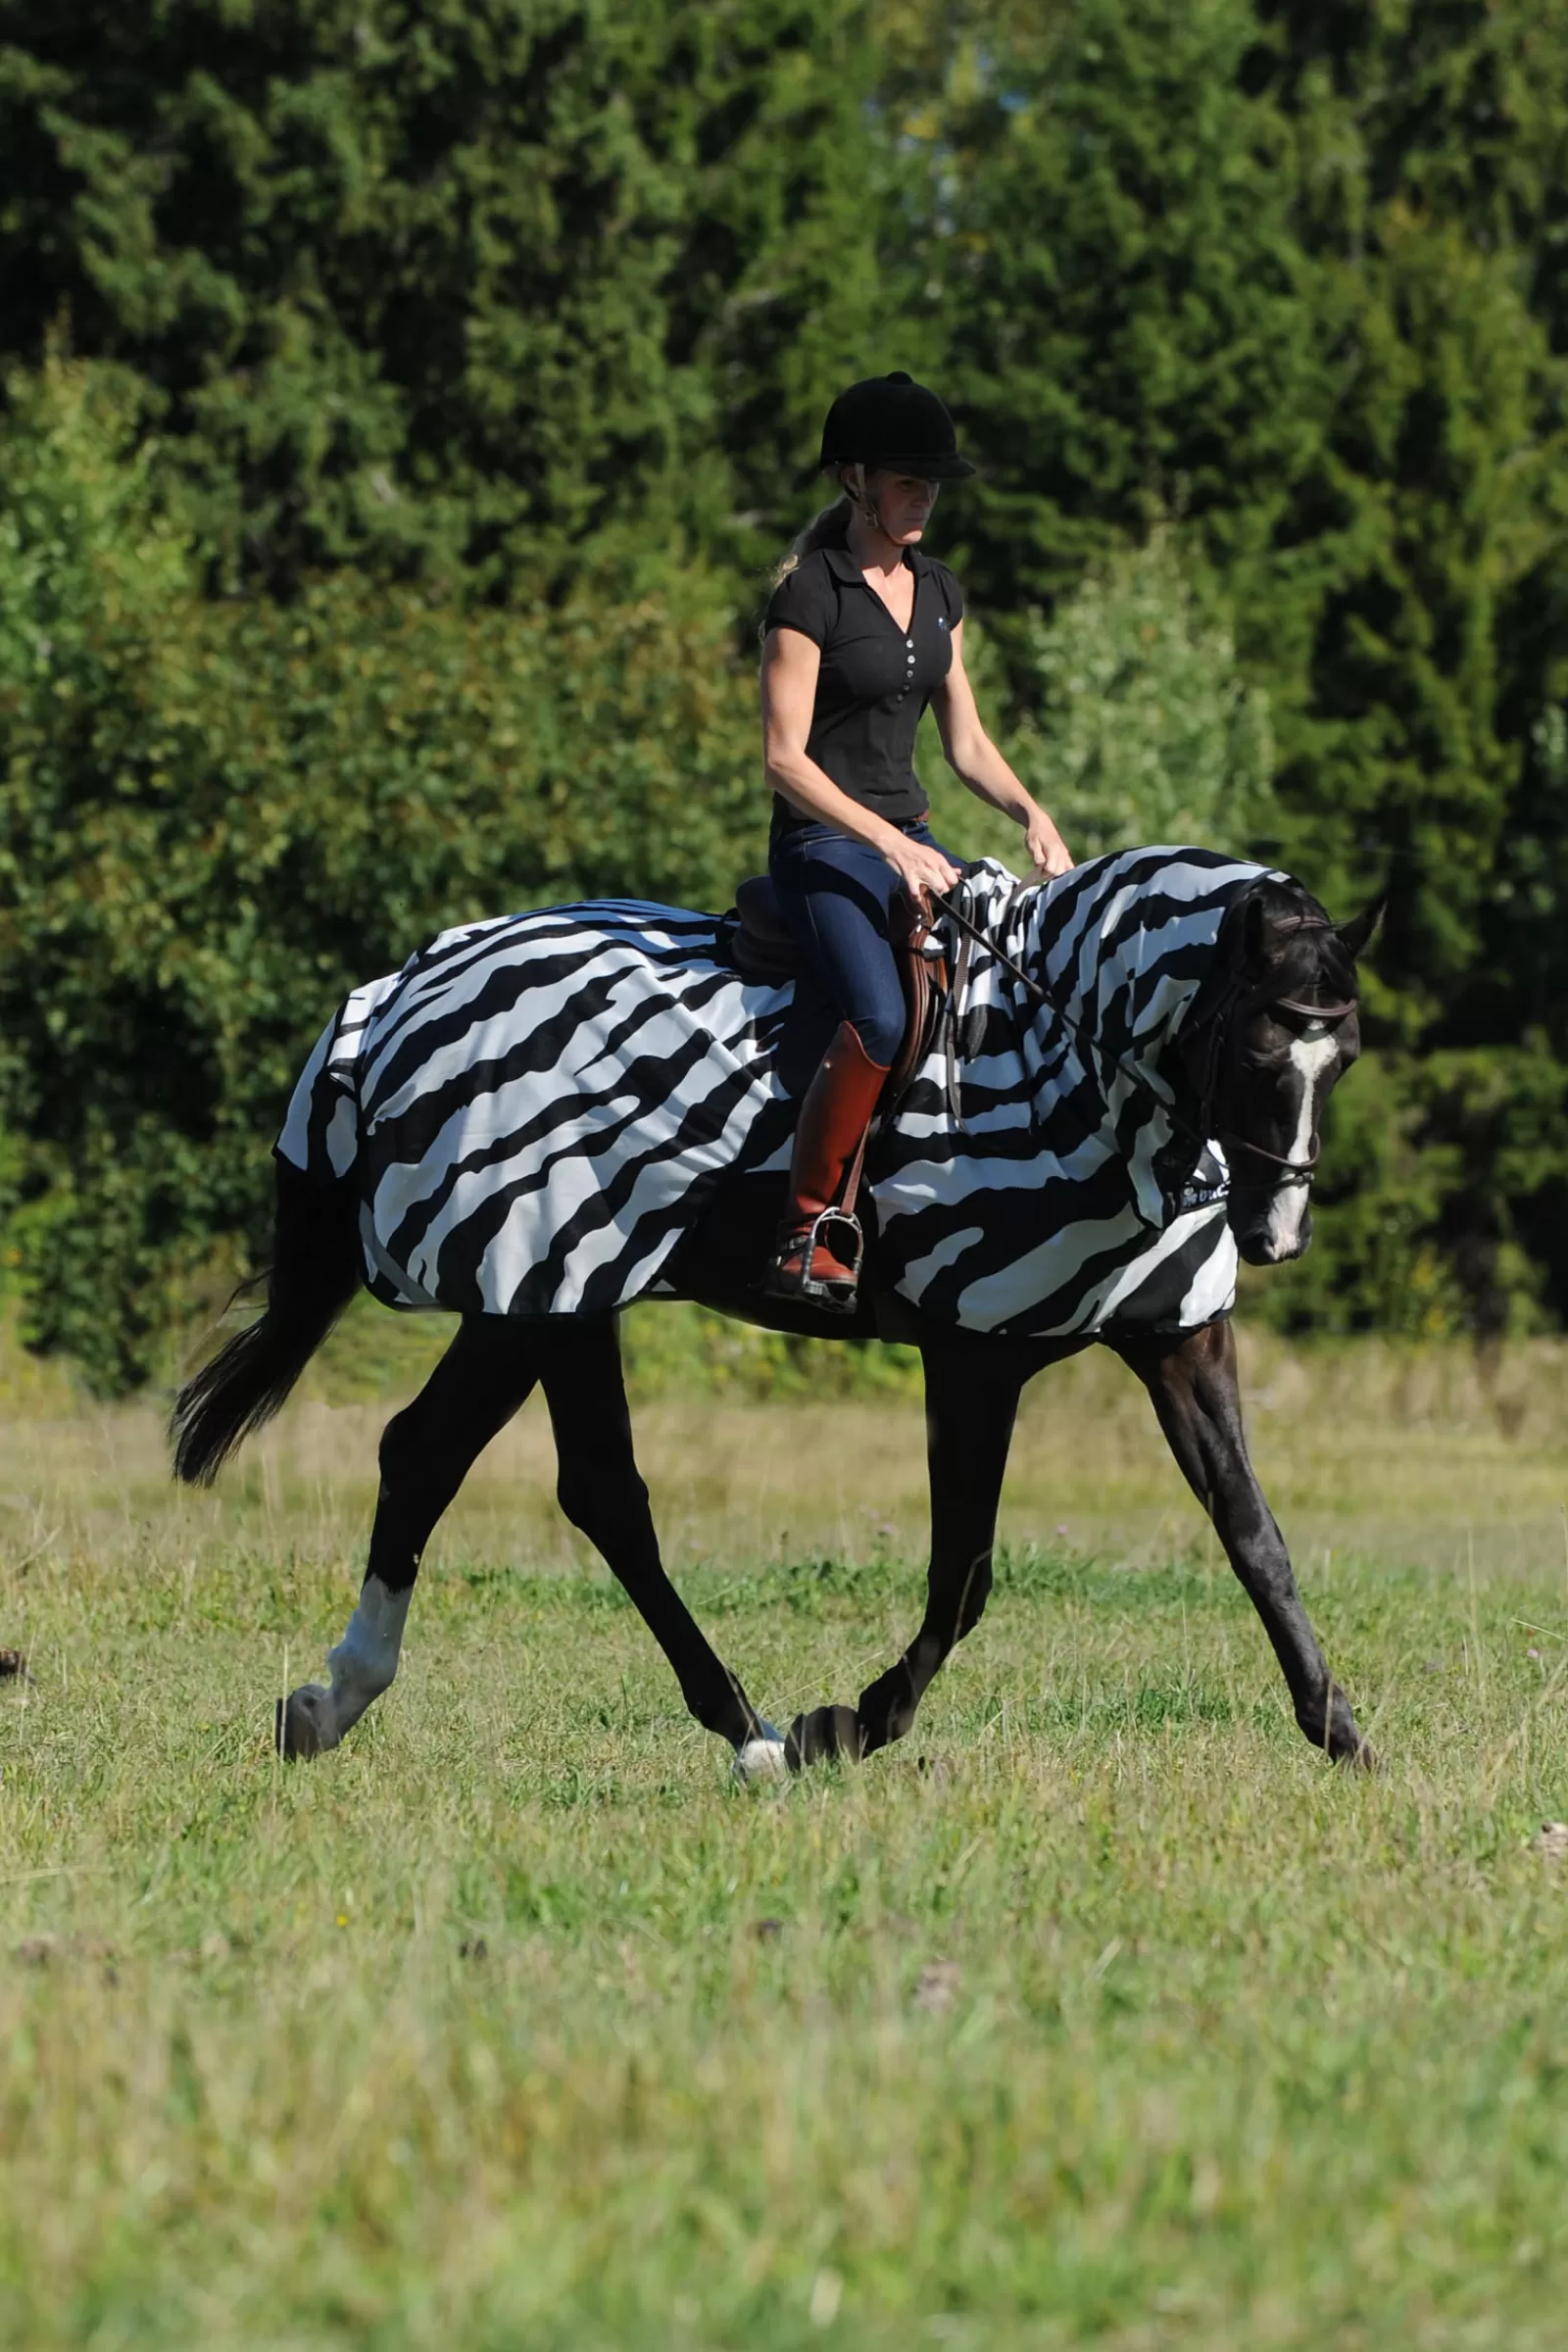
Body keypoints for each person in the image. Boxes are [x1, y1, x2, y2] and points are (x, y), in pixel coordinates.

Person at [760, 369, 1073, 1311]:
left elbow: (966, 741)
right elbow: (784, 760)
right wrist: (888, 845)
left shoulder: (941, 591)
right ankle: (809, 1228)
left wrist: (1029, 811)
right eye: (907, 479)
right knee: (885, 1019)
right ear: (855, 479)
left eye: (933, 482)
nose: (924, 495)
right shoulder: (809, 594)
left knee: (1001, 1005)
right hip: (824, 845)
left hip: (918, 839)